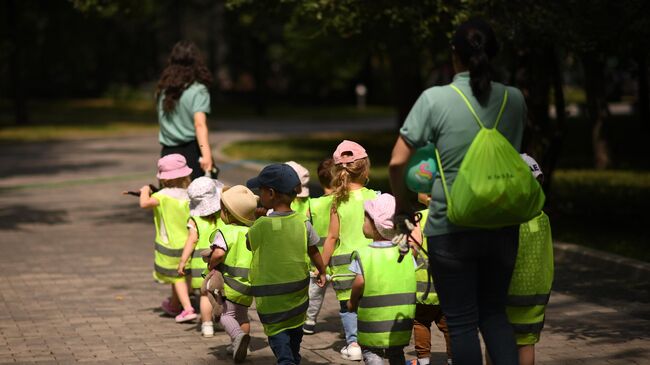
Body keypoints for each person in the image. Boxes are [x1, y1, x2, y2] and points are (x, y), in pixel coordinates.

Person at [389, 19, 528, 365]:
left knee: (462, 320)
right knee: (495, 315)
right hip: (503, 224)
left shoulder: (434, 99)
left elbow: (396, 162)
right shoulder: (515, 99)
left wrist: (402, 207)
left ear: (454, 54)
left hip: (450, 226)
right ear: (493, 54)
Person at [246, 163, 328, 365]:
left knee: (278, 335)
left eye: (261, 191)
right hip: (298, 296)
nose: (259, 195)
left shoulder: (263, 224)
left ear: (271, 193)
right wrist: (322, 270)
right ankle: (293, 358)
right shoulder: (302, 222)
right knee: (294, 331)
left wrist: (256, 220)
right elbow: (314, 250)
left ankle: (287, 361)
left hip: (271, 298)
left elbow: (249, 244)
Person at [321, 140, 379, 361]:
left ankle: (353, 343)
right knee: (369, 303)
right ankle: (373, 339)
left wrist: (321, 267)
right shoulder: (375, 197)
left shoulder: (337, 201)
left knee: (347, 306)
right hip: (372, 264)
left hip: (344, 266)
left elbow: (332, 237)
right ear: (365, 169)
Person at [347, 193, 416, 365]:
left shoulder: (364, 254)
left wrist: (352, 302)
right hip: (400, 321)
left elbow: (360, 283)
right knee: (396, 352)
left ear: (376, 226)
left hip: (373, 321)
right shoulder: (405, 252)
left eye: (365, 220)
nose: (363, 224)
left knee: (372, 352)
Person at [138, 154, 193, 318]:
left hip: (169, 245)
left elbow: (144, 203)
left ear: (165, 179)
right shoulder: (189, 195)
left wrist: (145, 191)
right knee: (184, 274)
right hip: (189, 242)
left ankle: (188, 308)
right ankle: (174, 305)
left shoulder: (161, 196)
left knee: (176, 278)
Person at [206, 185, 258, 363]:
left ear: (227, 213)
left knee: (225, 315)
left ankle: (237, 337)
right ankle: (243, 345)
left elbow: (219, 254)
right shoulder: (251, 232)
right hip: (248, 284)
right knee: (242, 316)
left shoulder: (225, 232)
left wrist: (211, 264)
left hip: (229, 283)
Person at [156, 40, 214, 180]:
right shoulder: (198, 90)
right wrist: (206, 155)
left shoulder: (163, 90)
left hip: (167, 154)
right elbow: (199, 124)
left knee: (169, 199)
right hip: (190, 154)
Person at [408, 194, 453, 365]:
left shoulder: (418, 218)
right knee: (449, 326)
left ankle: (424, 360)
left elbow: (412, 248)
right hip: (448, 287)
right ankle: (452, 358)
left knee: (421, 323)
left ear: (426, 194)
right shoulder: (455, 218)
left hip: (423, 287)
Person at [177, 177, 222, 335]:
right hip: (220, 259)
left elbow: (192, 240)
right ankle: (219, 320)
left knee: (204, 294)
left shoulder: (194, 219)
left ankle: (207, 325)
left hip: (199, 262)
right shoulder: (222, 215)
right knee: (219, 292)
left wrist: (183, 261)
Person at [303, 158, 335, 335]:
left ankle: (309, 320)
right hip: (338, 255)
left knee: (315, 291)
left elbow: (307, 229)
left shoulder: (311, 204)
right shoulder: (342, 202)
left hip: (317, 257)